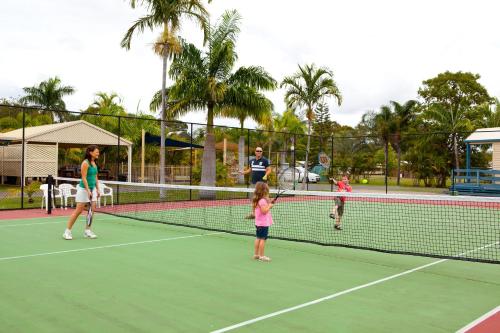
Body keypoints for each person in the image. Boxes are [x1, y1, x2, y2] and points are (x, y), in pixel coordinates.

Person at [62, 145, 101, 240]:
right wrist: (88, 190)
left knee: (92, 211)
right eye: (96, 152)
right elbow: (83, 177)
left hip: (93, 189)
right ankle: (67, 231)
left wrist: (98, 189)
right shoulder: (85, 163)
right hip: (83, 189)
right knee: (78, 211)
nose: (98, 153)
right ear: (91, 152)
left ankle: (87, 230)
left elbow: (95, 177)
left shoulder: (94, 163)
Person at [240, 147, 271, 218]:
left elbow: (269, 170)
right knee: (254, 198)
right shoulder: (252, 161)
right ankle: (254, 213)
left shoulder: (265, 160)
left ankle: (265, 212)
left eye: (260, 151)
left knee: (265, 198)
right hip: (254, 183)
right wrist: (243, 172)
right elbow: (250, 170)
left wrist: (266, 175)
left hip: (262, 184)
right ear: (255, 152)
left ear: (262, 152)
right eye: (257, 151)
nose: (259, 152)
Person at [252, 182, 274, 262]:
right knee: (263, 239)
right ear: (264, 191)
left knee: (258, 238)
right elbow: (264, 211)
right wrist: (270, 206)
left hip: (258, 223)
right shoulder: (262, 201)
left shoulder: (257, 200)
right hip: (263, 224)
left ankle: (256, 254)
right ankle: (262, 256)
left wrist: (269, 202)